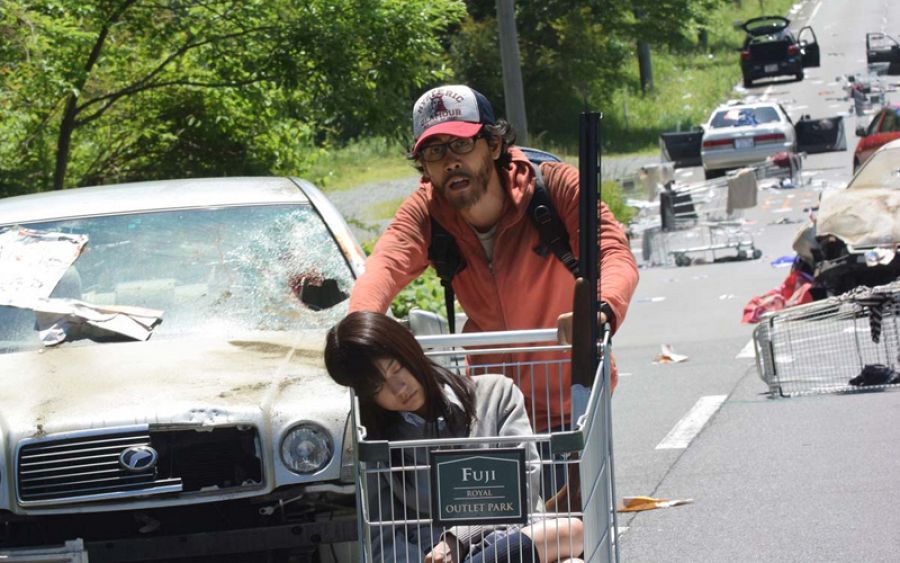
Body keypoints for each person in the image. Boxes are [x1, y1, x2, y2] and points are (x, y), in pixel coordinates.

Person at [348, 84, 639, 431]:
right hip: (492, 412)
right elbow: (384, 267)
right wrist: (358, 335)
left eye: (462, 144)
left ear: (495, 144)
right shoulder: (426, 213)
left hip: (573, 400)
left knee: (577, 486)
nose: (451, 161)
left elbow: (613, 253)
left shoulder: (554, 188)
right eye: (435, 152)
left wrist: (599, 308)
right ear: (424, 166)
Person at [324, 311, 585, 563]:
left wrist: (458, 540)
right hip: (433, 555)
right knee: (569, 536)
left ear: (410, 349)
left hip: (513, 538)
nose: (398, 388)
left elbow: (523, 492)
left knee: (571, 535)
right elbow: (384, 538)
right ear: (367, 397)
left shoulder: (496, 394)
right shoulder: (378, 443)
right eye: (378, 386)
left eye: (397, 368)